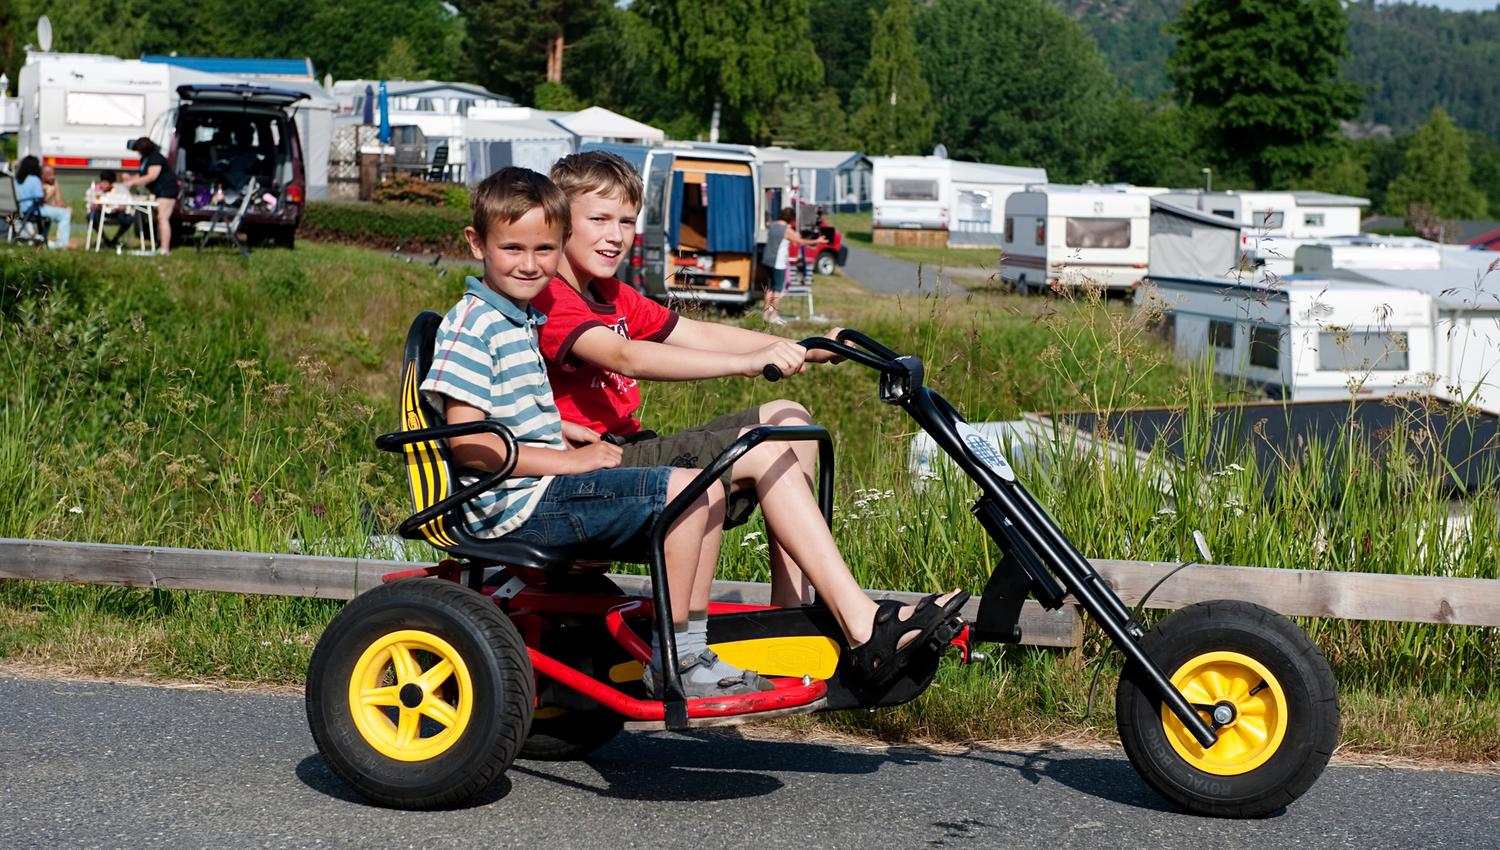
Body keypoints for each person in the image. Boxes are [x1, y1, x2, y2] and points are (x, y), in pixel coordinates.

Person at [533, 151, 967, 682]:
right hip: (596, 465)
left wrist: (799, 348)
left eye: (626, 221)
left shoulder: (611, 293)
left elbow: (699, 333)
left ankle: (790, 615)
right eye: (598, 219)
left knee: (788, 416)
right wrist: (744, 365)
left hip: (628, 448)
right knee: (761, 445)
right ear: (558, 222)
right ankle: (862, 625)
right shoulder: (552, 296)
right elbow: (625, 356)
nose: (615, 235)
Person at [420, 166, 769, 698]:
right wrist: (566, 461)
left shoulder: (515, 318)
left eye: (544, 250)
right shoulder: (474, 325)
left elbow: (499, 411)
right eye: (513, 248)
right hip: (511, 505)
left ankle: (689, 647)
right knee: (682, 487)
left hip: (532, 491)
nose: (530, 265)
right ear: (476, 243)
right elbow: (469, 442)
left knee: (704, 484)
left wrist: (559, 427)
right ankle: (677, 656)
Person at [760, 206, 826, 325]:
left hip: (767, 260)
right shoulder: (786, 230)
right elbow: (800, 242)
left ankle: (765, 315)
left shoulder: (772, 225)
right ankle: (773, 316)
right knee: (777, 289)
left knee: (769, 288)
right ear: (791, 218)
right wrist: (817, 241)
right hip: (778, 262)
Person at [119, 137, 180, 255]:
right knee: (159, 219)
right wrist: (130, 178)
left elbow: (151, 176)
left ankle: (165, 248)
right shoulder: (146, 159)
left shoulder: (156, 158)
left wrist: (132, 183)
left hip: (166, 192)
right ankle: (159, 244)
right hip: (158, 192)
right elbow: (142, 175)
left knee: (163, 218)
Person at [13, 156, 71, 249]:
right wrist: (48, 192)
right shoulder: (34, 179)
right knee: (65, 213)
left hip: (19, 211)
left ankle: (43, 241)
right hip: (33, 211)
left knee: (55, 214)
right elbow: (40, 199)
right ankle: (62, 244)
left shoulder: (16, 180)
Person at [87, 170, 135, 249]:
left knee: (128, 219)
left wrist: (122, 207)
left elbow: (128, 203)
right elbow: (91, 202)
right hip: (101, 212)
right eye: (103, 182)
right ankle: (105, 239)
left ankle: (115, 239)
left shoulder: (120, 189)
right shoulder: (96, 189)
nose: (104, 185)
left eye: (106, 183)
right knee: (91, 217)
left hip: (117, 213)